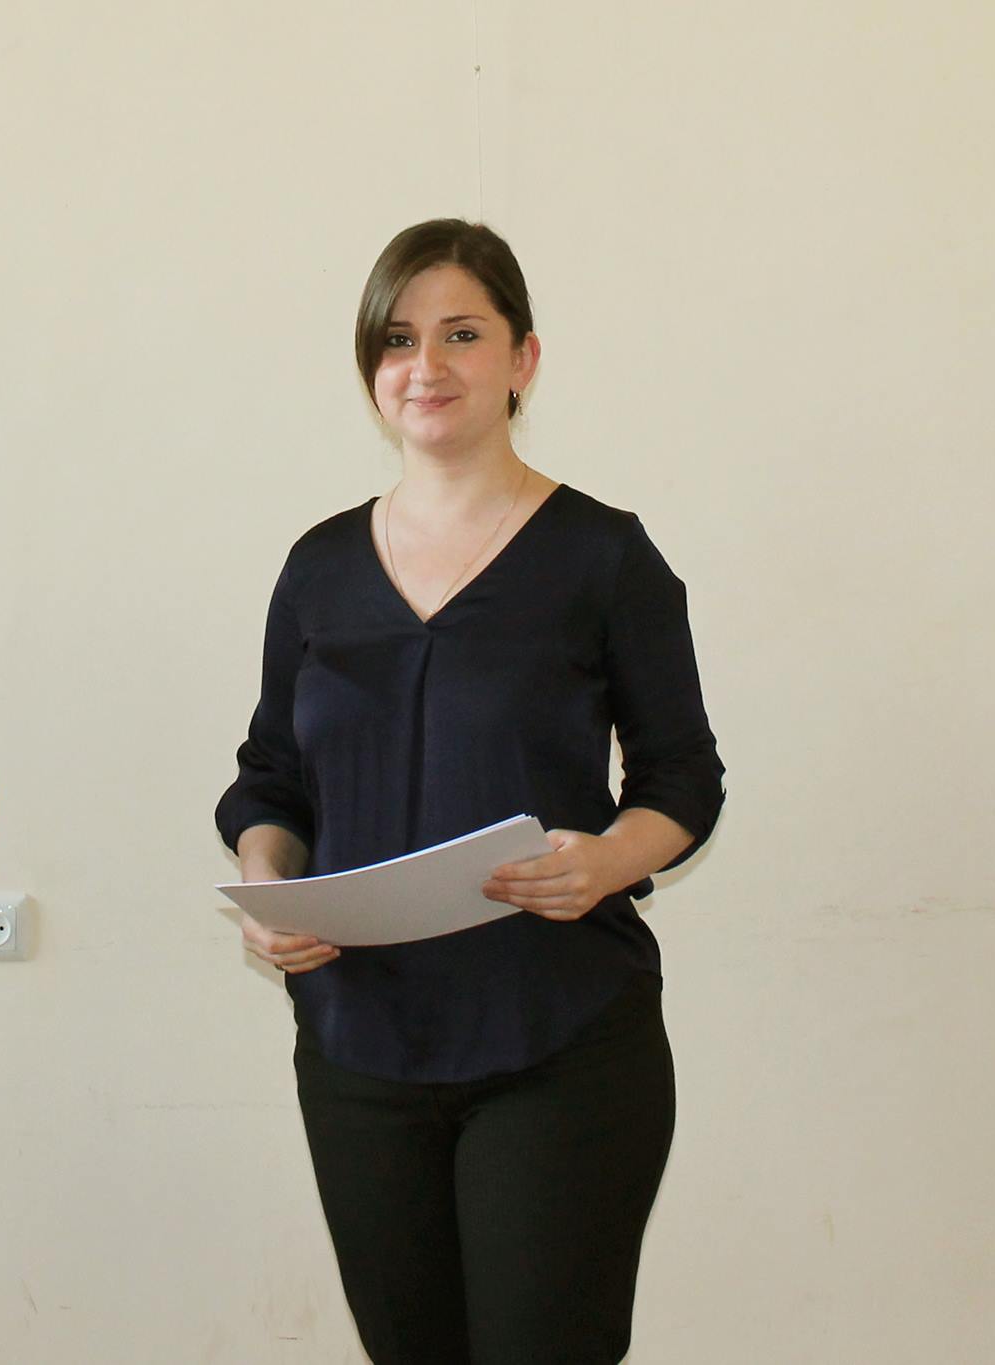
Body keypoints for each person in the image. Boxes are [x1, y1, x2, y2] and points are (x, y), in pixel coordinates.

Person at [215, 219, 724, 1364]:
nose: (425, 366)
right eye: (396, 339)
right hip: (356, 1050)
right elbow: (268, 780)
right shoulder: (316, 567)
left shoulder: (603, 556)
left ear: (521, 358)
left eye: (460, 334)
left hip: (557, 1043)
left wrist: (605, 860)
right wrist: (266, 890)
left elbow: (681, 778)